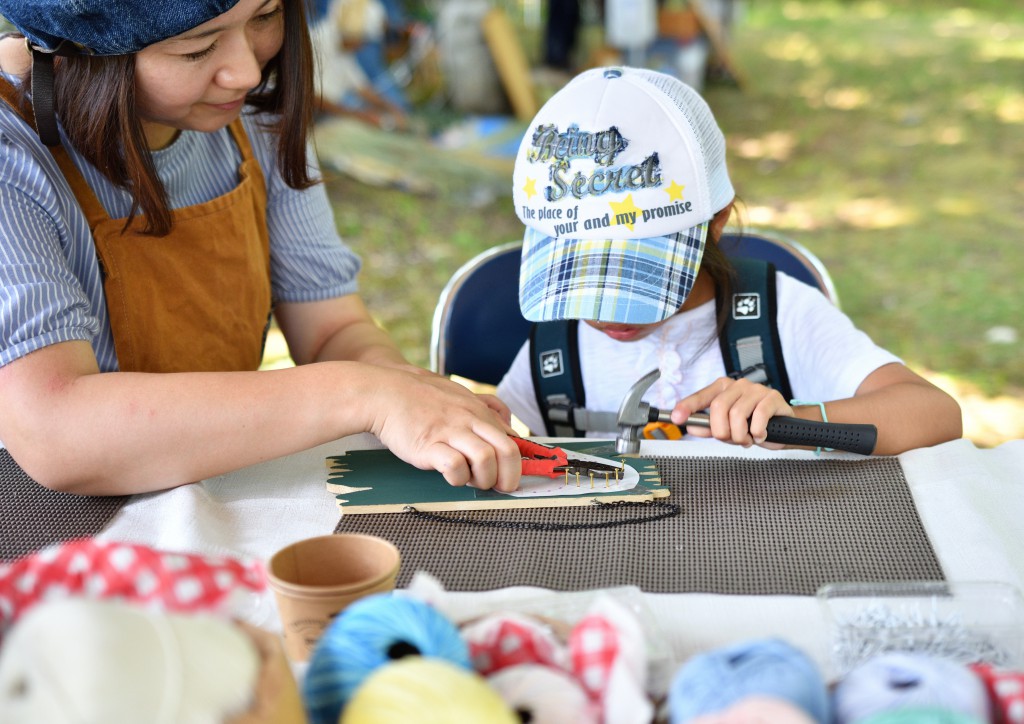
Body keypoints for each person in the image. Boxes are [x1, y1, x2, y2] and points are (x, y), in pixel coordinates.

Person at [0, 0, 521, 495]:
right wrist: (365, 394)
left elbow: (333, 330)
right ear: (80, 49)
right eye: (197, 48)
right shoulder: (12, 153)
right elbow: (55, 430)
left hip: (220, 487)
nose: (246, 73)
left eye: (267, 15)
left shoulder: (250, 120)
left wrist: (411, 400)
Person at [497, 66, 962, 456]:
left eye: (630, 274)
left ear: (715, 220)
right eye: (577, 277)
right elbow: (500, 432)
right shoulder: (556, 346)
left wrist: (797, 419)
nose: (602, 312)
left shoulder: (778, 316)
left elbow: (938, 416)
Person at [309, 0, 409, 130]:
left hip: (326, 116)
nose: (362, 46)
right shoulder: (316, 40)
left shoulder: (345, 50)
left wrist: (391, 107)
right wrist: (358, 116)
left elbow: (361, 87)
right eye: (362, 40)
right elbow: (311, 97)